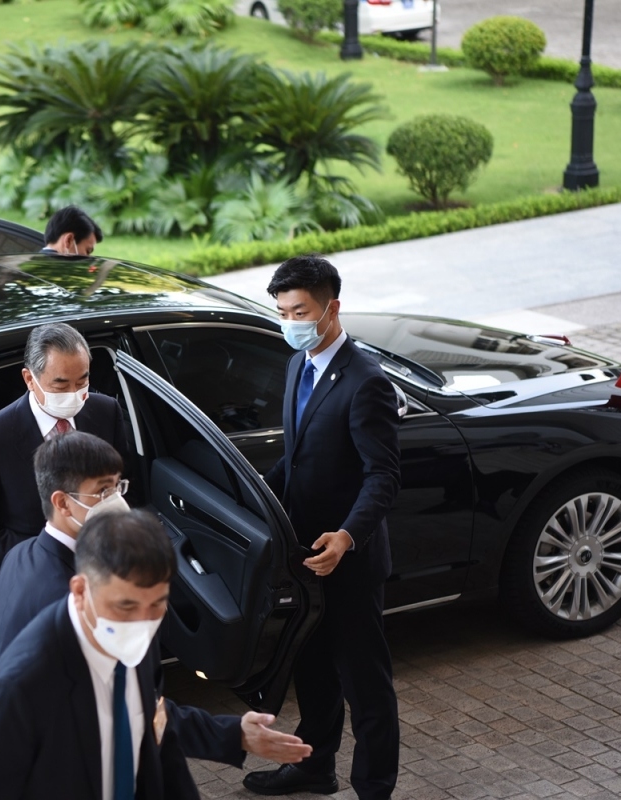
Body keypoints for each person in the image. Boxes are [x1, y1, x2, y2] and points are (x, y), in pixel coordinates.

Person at [0, 511, 313, 800]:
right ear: (79, 589)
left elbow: (144, 714)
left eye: (156, 605)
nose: (142, 622)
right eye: (125, 605)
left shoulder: (125, 632)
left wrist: (233, 734)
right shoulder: (21, 684)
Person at [243, 255, 401, 799]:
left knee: (366, 685)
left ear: (332, 308)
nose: (290, 321)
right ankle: (315, 768)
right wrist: (253, 494)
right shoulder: (298, 364)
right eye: (282, 311)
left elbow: (383, 476)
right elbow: (298, 455)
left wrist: (348, 535)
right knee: (312, 672)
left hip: (349, 561)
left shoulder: (366, 382)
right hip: (303, 555)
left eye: (300, 310)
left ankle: (374, 787)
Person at [0, 322, 129, 626]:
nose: (74, 393)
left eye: (82, 380)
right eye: (60, 385)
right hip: (27, 587)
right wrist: (42, 554)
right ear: (30, 379)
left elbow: (125, 485)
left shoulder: (106, 411)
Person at [0, 430, 127, 669]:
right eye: (103, 491)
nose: (117, 500)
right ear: (63, 503)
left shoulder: (17, 555)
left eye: (117, 487)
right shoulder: (75, 602)